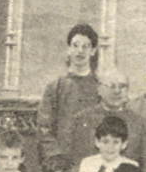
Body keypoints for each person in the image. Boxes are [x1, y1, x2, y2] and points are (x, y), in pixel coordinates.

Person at [38, 24, 100, 164]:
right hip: (61, 162)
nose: (80, 51)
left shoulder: (100, 87)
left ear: (93, 51)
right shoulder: (55, 87)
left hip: (92, 160)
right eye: (75, 45)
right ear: (68, 49)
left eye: (86, 46)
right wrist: (56, 157)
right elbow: (44, 127)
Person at [77, 68, 144, 166]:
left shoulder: (138, 123)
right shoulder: (82, 119)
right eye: (111, 86)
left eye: (122, 86)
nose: (117, 91)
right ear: (99, 89)